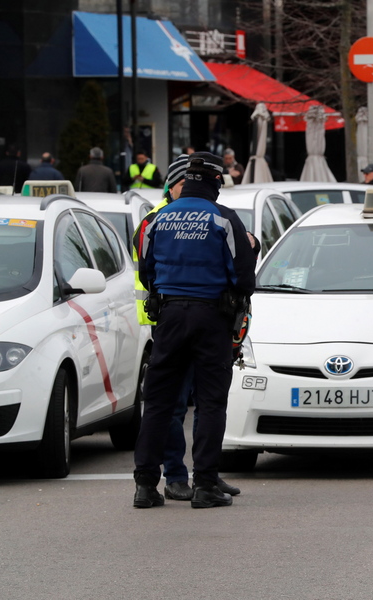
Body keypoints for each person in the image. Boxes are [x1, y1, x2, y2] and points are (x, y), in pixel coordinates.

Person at [132, 152, 256, 509]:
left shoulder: (158, 218)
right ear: (216, 181)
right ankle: (205, 486)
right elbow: (244, 277)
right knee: (210, 402)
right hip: (212, 318)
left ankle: (145, 486)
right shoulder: (224, 219)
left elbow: (145, 270)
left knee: (157, 402)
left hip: (169, 316)